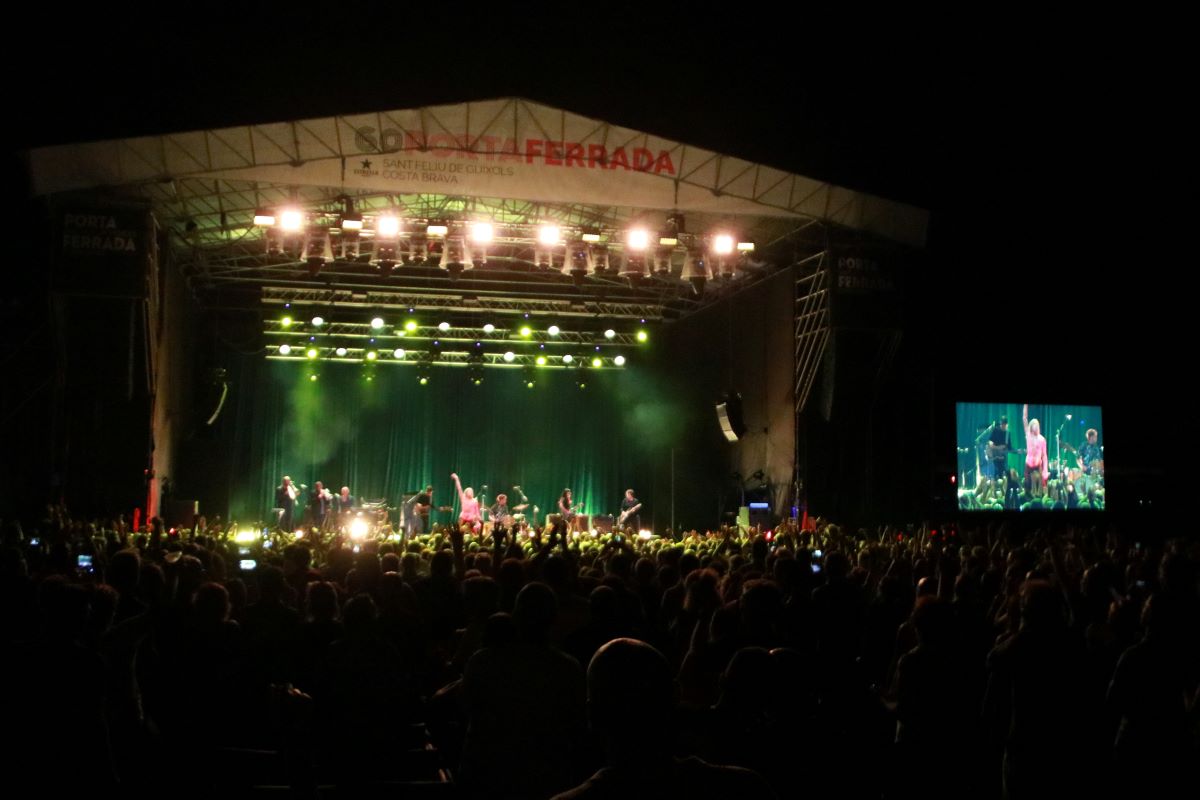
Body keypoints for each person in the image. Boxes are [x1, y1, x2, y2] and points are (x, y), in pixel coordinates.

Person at [1023, 404, 1048, 498]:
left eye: (1037, 425)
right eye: (1034, 425)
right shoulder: (1028, 435)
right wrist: (1025, 405)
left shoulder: (1042, 439)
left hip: (1038, 465)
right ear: (1031, 426)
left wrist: (1045, 470)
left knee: (1039, 487)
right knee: (1028, 486)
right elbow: (1024, 418)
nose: (1036, 426)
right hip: (1028, 465)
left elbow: (1044, 456)